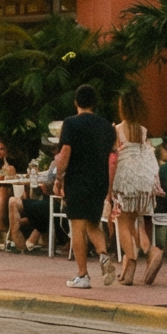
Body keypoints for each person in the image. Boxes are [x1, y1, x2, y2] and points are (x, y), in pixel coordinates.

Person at [54, 85, 115, 289]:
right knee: (93, 223)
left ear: (76, 102)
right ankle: (104, 255)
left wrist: (58, 176)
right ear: (94, 103)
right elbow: (111, 156)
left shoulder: (71, 123)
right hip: (99, 180)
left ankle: (83, 275)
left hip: (77, 180)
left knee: (77, 227)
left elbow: (66, 152)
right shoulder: (107, 126)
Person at [107, 106, 165, 285]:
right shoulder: (142, 130)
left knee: (122, 223)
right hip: (142, 179)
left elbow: (114, 157)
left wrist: (109, 188)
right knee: (134, 222)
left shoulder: (117, 130)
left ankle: (133, 262)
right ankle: (148, 254)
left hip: (125, 179)